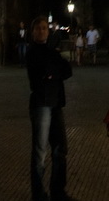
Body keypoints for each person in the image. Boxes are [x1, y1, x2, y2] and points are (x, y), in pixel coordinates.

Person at [26, 15, 72, 201]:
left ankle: (57, 191)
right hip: (41, 105)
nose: (41, 31)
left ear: (48, 30)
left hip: (55, 104)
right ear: (33, 32)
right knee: (40, 152)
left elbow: (67, 71)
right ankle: (38, 195)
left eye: (44, 28)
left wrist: (52, 73)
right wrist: (53, 71)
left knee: (61, 148)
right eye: (38, 28)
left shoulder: (51, 50)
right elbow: (40, 75)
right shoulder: (32, 52)